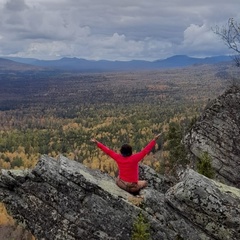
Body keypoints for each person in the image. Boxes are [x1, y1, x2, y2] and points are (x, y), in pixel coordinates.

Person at [90, 133, 161, 194]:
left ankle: (127, 185)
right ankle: (134, 191)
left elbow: (108, 151)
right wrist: (154, 140)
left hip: (122, 184)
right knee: (145, 183)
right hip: (133, 188)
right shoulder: (135, 158)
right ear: (130, 152)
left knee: (118, 178)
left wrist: (97, 143)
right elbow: (145, 151)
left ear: (121, 152)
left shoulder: (118, 158)